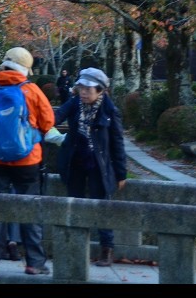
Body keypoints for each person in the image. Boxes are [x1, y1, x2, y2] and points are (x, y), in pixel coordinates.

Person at [0, 47, 59, 275]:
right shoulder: (31, 90)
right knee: (30, 210)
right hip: (27, 161)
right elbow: (48, 122)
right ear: (26, 68)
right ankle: (34, 263)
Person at [51, 67, 128, 267]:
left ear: (100, 90)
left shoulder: (110, 110)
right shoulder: (75, 103)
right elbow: (57, 116)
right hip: (75, 161)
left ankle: (106, 249)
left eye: (89, 89)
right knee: (74, 204)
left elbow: (117, 144)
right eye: (81, 88)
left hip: (98, 165)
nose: (83, 93)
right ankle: (74, 247)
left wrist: (121, 174)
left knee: (101, 206)